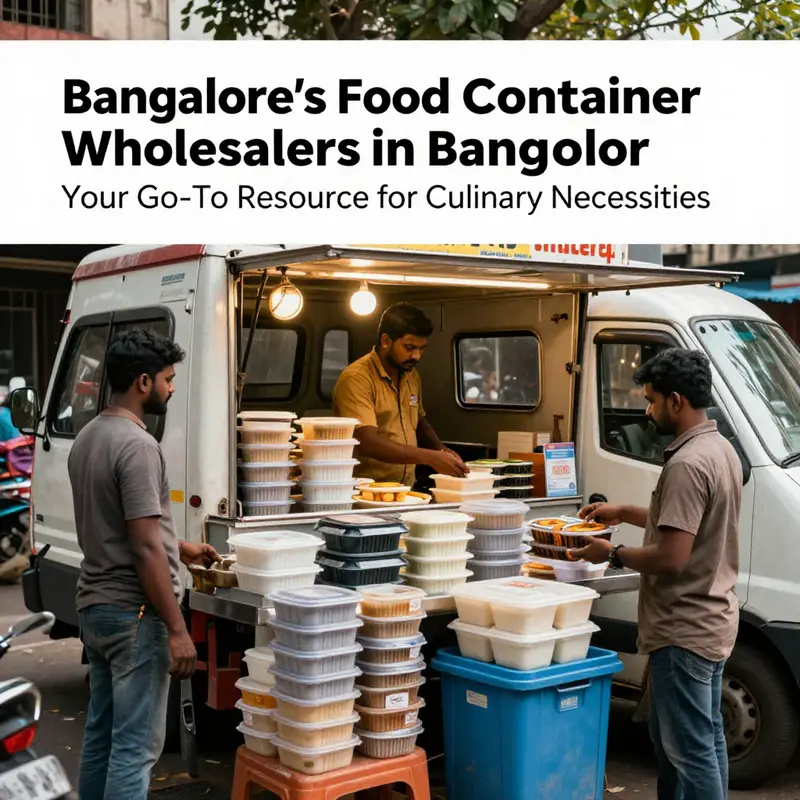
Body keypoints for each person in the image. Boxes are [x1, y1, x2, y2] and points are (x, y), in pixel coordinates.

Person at [572, 348, 741, 800]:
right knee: (703, 741)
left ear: (676, 401)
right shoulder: (719, 448)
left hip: (684, 629)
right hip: (712, 618)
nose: (647, 411)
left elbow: (671, 556)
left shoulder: (687, 464)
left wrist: (612, 552)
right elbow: (687, 520)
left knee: (690, 751)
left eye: (651, 400)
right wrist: (624, 511)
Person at [68, 329, 220, 800]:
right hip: (136, 616)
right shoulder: (138, 446)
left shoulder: (88, 437)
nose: (171, 388)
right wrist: (177, 630)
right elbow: (143, 548)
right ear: (142, 381)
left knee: (101, 736)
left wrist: (182, 548)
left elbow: (124, 527)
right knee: (135, 750)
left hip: (95, 608)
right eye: (168, 379)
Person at [332, 302, 468, 485]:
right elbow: (368, 442)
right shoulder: (357, 378)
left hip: (404, 490)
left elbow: (418, 421)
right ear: (386, 341)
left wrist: (440, 448)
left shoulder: (411, 375)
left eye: (422, 349)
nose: (416, 356)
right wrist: (430, 457)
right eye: (409, 347)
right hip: (363, 489)